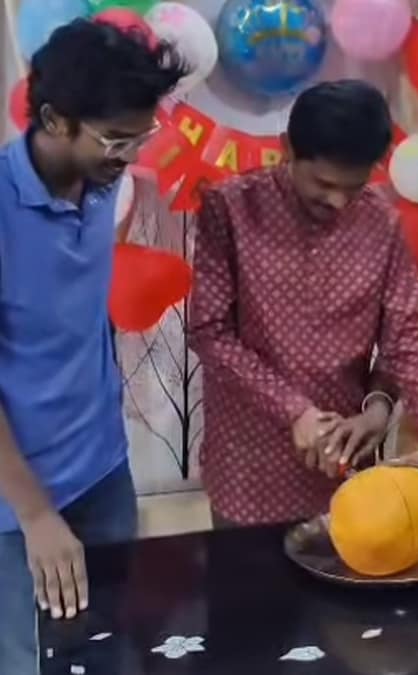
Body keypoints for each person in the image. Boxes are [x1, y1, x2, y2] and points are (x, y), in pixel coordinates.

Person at [188, 80, 418, 536]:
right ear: (287, 149)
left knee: (348, 586)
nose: (338, 202)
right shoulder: (231, 210)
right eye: (323, 184)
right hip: (249, 463)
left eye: (353, 187)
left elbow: (411, 336)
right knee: (247, 593)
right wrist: (295, 410)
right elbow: (210, 332)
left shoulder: (381, 222)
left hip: (345, 454)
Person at [0, 20, 186, 671]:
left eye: (142, 136)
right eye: (115, 138)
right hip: (15, 503)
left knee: (111, 647)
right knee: (28, 658)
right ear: (53, 119)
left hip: (104, 470)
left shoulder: (100, 183)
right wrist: (35, 515)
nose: (130, 154)